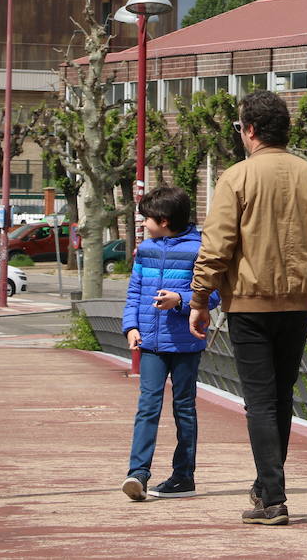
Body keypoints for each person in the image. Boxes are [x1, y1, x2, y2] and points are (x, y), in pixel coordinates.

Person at [189, 90, 307, 526]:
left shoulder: (235, 178)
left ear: (250, 130)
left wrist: (199, 299)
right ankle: (265, 488)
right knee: (281, 397)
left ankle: (272, 497)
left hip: (248, 303)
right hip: (298, 303)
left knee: (259, 401)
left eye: (240, 128)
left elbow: (216, 247)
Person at [120, 186, 218, 501]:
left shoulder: (200, 249)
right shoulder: (146, 250)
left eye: (146, 218)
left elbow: (213, 295)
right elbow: (134, 290)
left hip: (186, 344)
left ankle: (183, 476)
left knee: (184, 409)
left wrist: (180, 301)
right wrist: (131, 326)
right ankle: (138, 475)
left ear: (163, 220)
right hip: (150, 342)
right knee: (147, 407)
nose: (143, 224)